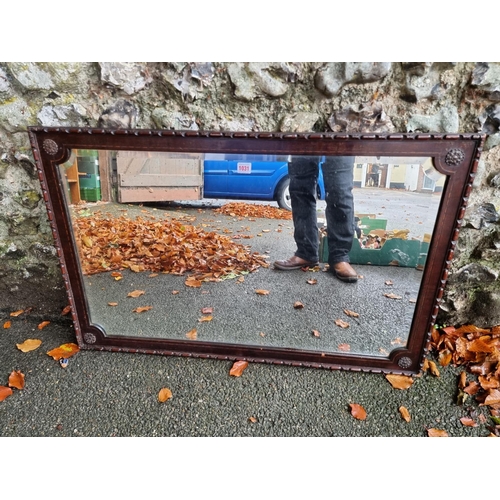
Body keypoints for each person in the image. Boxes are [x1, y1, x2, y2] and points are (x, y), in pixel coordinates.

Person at [274, 155, 358, 283]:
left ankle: (340, 256)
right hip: (304, 137)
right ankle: (306, 252)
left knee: (340, 189)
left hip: (341, 137)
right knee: (300, 188)